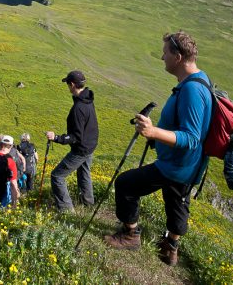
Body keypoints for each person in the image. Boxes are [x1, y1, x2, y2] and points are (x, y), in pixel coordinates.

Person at [104, 31, 213, 266]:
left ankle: (131, 235)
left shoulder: (192, 90)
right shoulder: (200, 80)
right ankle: (170, 249)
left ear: (178, 56)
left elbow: (191, 137)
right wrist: (157, 138)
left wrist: (153, 132)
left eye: (165, 53)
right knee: (177, 202)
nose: (162, 57)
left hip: (175, 166)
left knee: (126, 184)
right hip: (188, 166)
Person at [46, 70, 99, 212]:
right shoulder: (88, 100)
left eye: (68, 84)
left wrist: (56, 138)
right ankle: (88, 205)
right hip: (90, 145)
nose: (68, 87)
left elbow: (75, 136)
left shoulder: (78, 108)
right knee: (84, 173)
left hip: (81, 149)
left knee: (57, 176)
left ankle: (66, 210)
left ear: (73, 84)